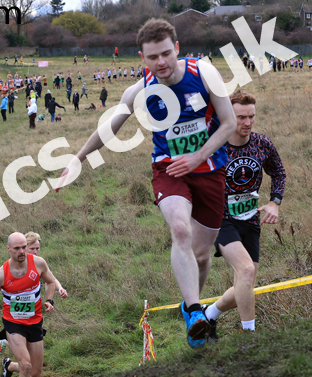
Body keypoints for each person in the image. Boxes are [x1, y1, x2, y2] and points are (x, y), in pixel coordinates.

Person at [57, 18, 236, 348]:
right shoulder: (138, 90)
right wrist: (77, 158)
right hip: (167, 170)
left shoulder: (205, 74)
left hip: (210, 169)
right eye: (153, 57)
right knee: (180, 229)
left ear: (177, 48)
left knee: (201, 254)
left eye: (166, 53)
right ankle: (196, 313)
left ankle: (188, 303)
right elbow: (109, 128)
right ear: (143, 57)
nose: (161, 62)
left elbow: (229, 123)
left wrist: (198, 157)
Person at [204, 92, 285, 338]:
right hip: (220, 218)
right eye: (241, 117)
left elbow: (278, 173)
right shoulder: (214, 144)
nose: (247, 123)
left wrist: (274, 203)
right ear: (228, 115)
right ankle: (250, 337)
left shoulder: (262, 144)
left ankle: (209, 315)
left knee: (246, 282)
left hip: (250, 219)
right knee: (247, 271)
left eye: (251, 117)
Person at [0, 233, 66, 377]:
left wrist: (49, 300)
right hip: (13, 324)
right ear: (8, 249)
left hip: (35, 322)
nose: (21, 251)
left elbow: (49, 281)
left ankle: (10, 366)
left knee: (35, 373)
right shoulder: (1, 275)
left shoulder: (39, 263)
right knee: (26, 366)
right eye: (17, 248)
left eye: (23, 247)